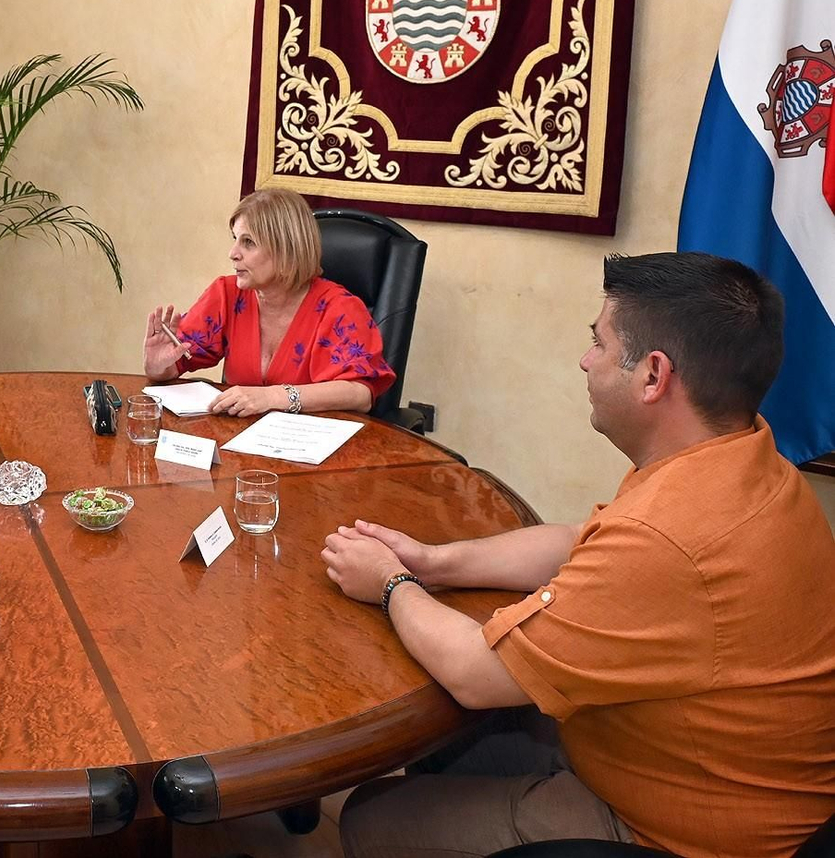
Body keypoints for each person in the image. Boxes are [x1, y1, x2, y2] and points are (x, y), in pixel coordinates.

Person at [321, 252, 835, 858]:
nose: (584, 359)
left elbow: (473, 675)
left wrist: (389, 583)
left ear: (653, 375)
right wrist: (432, 562)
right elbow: (579, 541)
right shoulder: (742, 456)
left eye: (599, 341)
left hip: (680, 833)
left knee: (373, 817)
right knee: (454, 741)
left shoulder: (665, 539)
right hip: (696, 767)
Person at [145, 188, 394, 416]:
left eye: (248, 242)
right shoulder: (226, 294)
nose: (233, 253)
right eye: (234, 238)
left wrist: (273, 396)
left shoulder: (340, 308)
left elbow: (360, 394)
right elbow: (178, 361)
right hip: (241, 448)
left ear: (286, 249)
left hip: (312, 452)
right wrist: (158, 366)